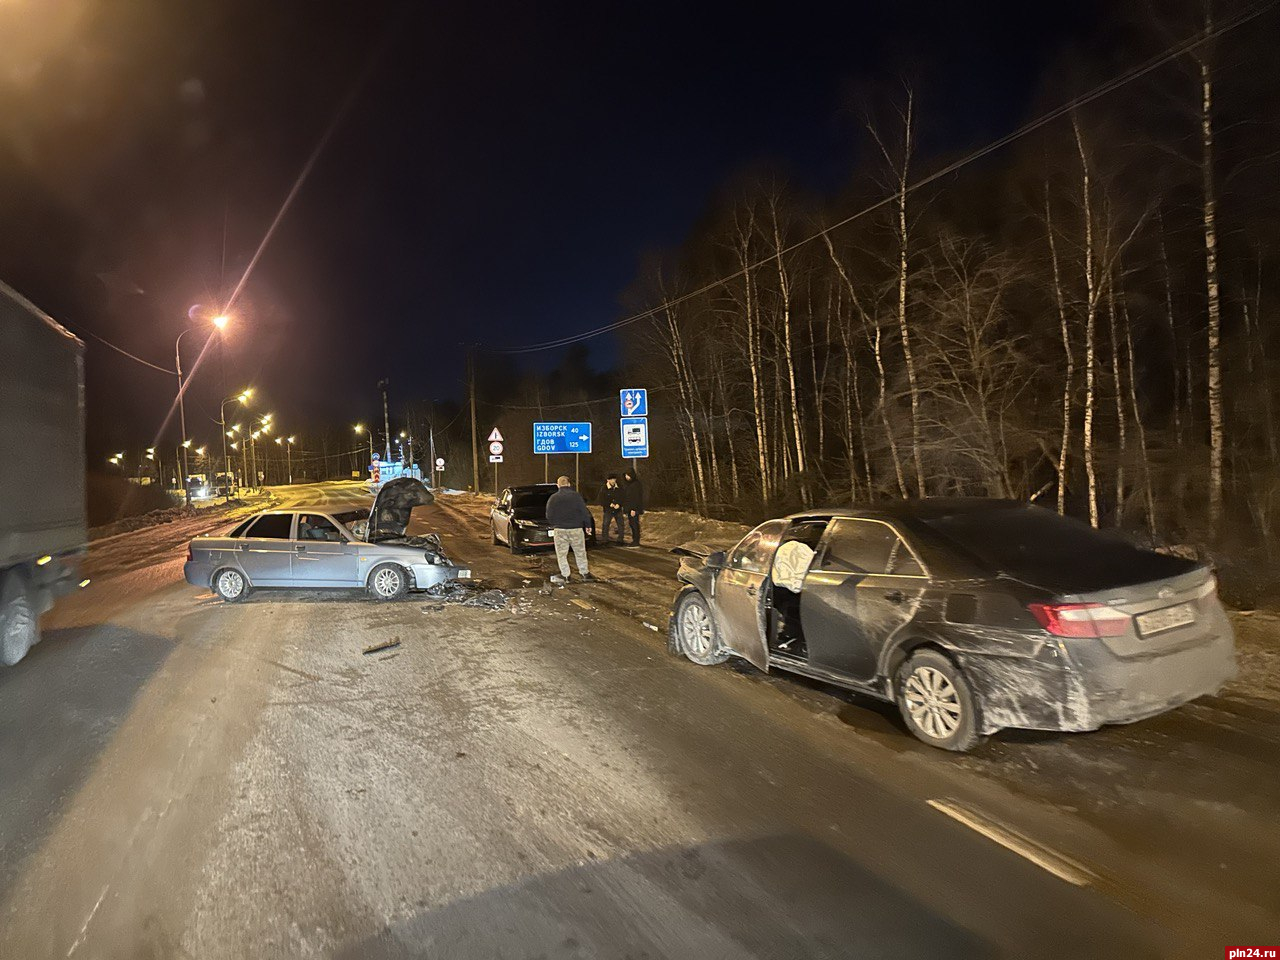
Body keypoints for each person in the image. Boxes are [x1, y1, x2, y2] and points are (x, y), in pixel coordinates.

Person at [545, 476, 596, 584]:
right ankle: (584, 573)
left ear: (558, 485)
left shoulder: (553, 498)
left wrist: (555, 523)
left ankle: (565, 575)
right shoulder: (576, 496)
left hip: (560, 530)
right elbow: (584, 511)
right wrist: (587, 525)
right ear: (569, 484)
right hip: (576, 529)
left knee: (561, 554)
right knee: (580, 552)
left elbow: (549, 515)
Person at [598, 474, 625, 544]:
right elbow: (601, 500)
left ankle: (620, 539)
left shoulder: (619, 487)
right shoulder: (604, 488)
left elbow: (623, 497)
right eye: (612, 479)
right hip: (608, 509)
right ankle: (605, 539)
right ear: (608, 480)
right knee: (606, 524)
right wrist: (609, 504)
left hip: (618, 509)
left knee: (620, 524)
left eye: (614, 479)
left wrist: (619, 504)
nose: (613, 481)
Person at [620, 469, 645, 546]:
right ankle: (635, 540)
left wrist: (634, 509)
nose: (626, 477)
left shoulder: (635, 485)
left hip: (633, 509)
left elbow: (636, 498)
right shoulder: (629, 484)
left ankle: (636, 541)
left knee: (634, 524)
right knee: (632, 524)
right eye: (626, 475)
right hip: (630, 508)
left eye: (628, 475)